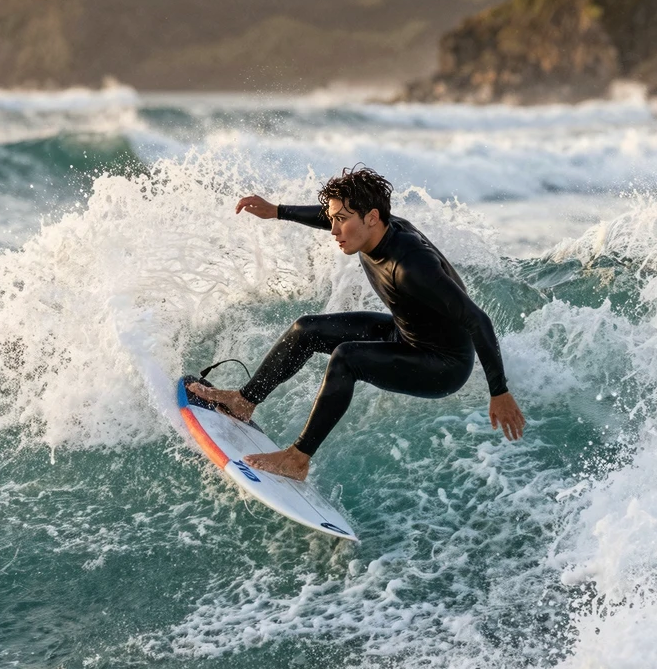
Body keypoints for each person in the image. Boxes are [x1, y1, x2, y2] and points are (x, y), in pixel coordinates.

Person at [190, 166, 525, 481]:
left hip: (442, 363)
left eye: (341, 220)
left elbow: (477, 319)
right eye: (333, 218)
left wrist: (499, 391)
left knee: (347, 358)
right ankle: (244, 401)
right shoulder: (371, 229)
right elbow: (332, 216)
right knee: (306, 329)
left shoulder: (412, 266)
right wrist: (276, 210)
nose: (334, 230)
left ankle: (297, 459)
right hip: (405, 334)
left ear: (372, 218)